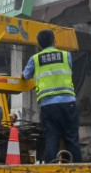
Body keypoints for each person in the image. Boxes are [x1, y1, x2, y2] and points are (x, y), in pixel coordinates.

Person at [22, 29, 82, 163]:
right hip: (68, 104)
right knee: (72, 139)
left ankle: (51, 170)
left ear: (39, 45)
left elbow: (25, 76)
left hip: (48, 106)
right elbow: (69, 71)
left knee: (51, 140)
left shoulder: (35, 59)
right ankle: (78, 169)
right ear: (54, 41)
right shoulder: (66, 56)